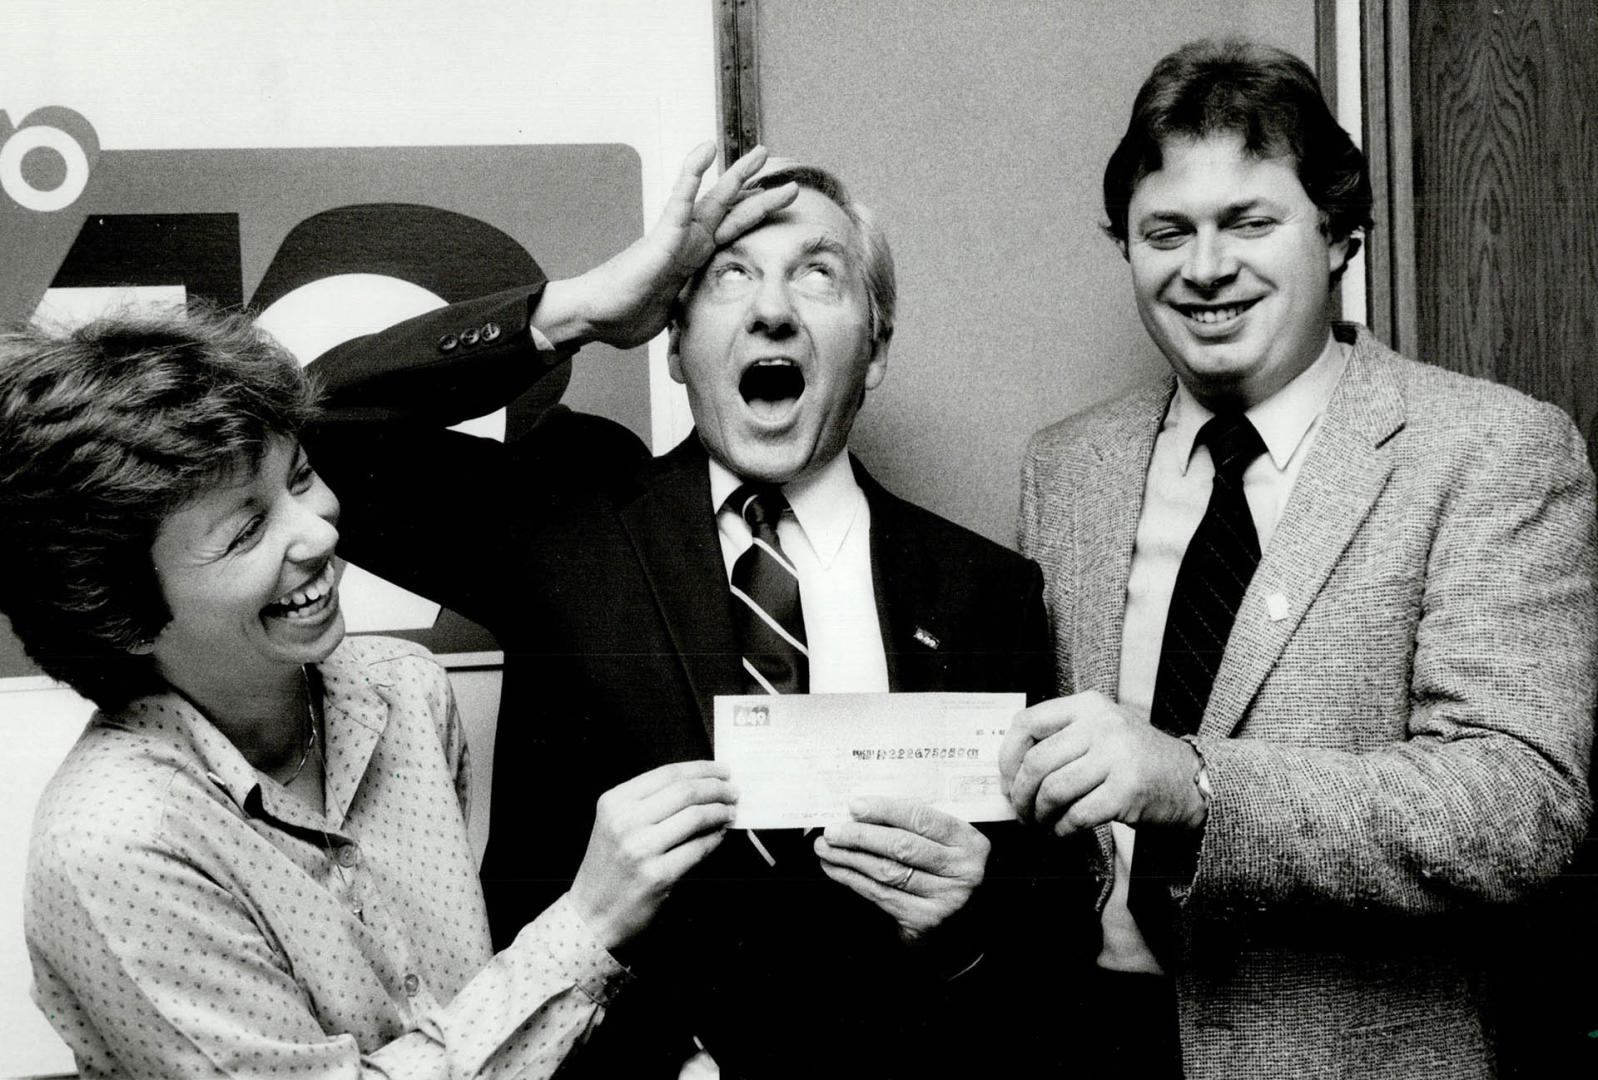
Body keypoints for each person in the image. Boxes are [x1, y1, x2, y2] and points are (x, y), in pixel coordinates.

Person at [303, 146, 1082, 1077]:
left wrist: (969, 925)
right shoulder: (567, 521)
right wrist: (585, 308)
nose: (772, 309)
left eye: (818, 276)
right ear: (672, 344)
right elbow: (313, 429)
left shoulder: (984, 590)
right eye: (729, 278)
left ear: (874, 346)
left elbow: (1056, 941)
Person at [999, 37, 1598, 1079]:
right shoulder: (1066, 468)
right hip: (1087, 1043)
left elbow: (1518, 804)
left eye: (1248, 222)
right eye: (1164, 231)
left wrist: (1195, 784)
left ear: (1338, 233)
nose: (1203, 267)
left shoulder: (1489, 449)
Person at [0, 305, 744, 1078]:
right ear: (122, 613)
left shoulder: (404, 690)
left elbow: (458, 1022)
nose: (320, 533)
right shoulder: (116, 847)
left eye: (300, 478)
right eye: (247, 529)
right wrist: (586, 927)